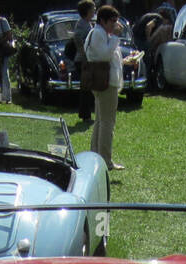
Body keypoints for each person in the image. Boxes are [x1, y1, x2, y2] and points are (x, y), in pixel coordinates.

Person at [85, 4, 126, 169]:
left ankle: (95, 154)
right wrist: (116, 36)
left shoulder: (101, 33)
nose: (115, 25)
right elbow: (103, 55)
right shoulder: (98, 34)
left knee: (101, 121)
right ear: (102, 20)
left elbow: (108, 54)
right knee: (107, 122)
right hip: (105, 82)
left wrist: (125, 60)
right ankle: (105, 160)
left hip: (105, 80)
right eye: (112, 21)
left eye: (116, 21)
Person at [73, 1, 95, 123]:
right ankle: (85, 115)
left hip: (87, 59)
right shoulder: (82, 24)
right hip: (82, 60)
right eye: (92, 9)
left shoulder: (88, 23)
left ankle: (87, 114)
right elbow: (77, 38)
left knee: (88, 88)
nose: (94, 11)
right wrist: (84, 56)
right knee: (86, 89)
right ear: (87, 11)